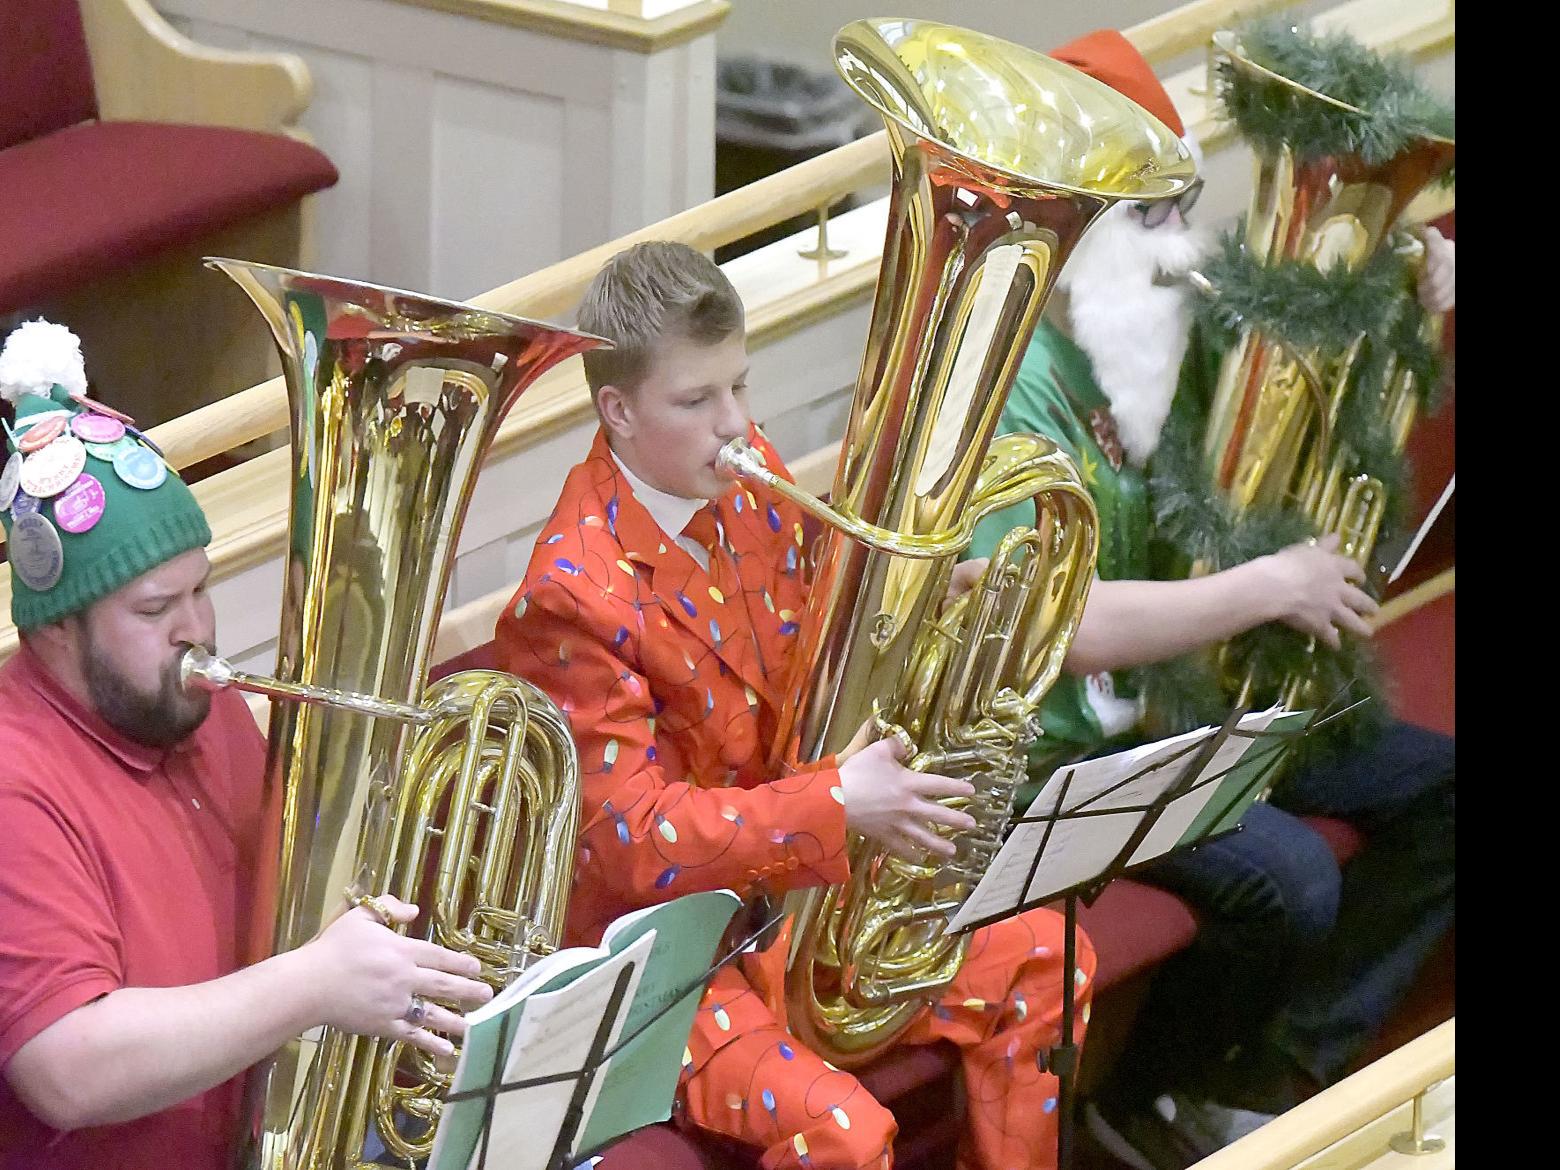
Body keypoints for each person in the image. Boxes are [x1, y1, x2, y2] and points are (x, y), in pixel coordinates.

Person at [963, 31, 1456, 1170]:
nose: (1183, 238)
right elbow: (1057, 631)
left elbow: (1305, 344)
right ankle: (1134, 1103)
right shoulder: (1007, 387)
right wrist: (1266, 586)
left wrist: (1409, 280)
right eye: (1151, 214)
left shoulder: (1146, 327)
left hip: (1184, 697)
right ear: (1071, 225)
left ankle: (1274, 1079)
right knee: (1284, 880)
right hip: (1054, 756)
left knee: (1444, 793)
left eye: (1183, 202)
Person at [496, 241, 1094, 1170]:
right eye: (696, 401)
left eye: (739, 386)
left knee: (1048, 960)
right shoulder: (572, 594)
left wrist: (938, 609)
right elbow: (632, 842)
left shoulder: (745, 470)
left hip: (802, 892)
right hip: (672, 961)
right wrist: (841, 805)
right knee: (846, 1137)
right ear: (615, 410)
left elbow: (826, 634)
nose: (736, 423)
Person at [0, 321, 494, 1170]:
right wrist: (316, 984)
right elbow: (65, 1067)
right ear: (54, 635)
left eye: (202, 589)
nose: (195, 628)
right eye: (157, 610)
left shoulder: (189, 704)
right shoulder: (16, 781)